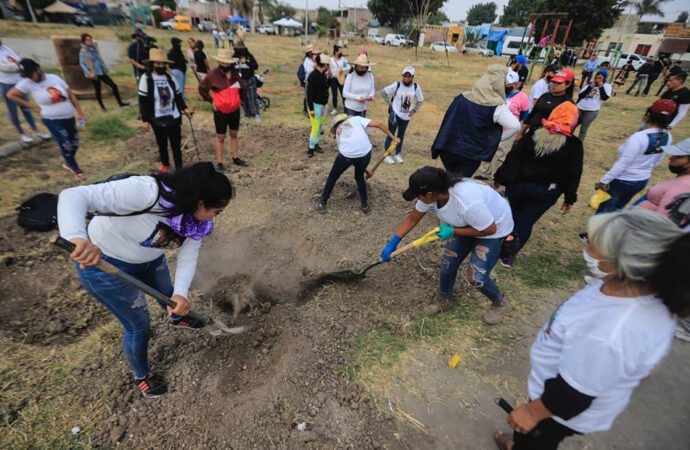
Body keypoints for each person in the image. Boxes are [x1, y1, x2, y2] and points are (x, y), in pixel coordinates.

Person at [493, 209, 690, 450]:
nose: (586, 251)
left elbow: (573, 396)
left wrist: (532, 413)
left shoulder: (614, 331)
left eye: (595, 247)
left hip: (556, 408)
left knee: (537, 439)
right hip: (564, 386)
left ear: (624, 263)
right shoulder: (622, 285)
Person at [57, 162, 234, 398]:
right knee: (138, 326)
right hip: (107, 267)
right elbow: (73, 195)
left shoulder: (196, 222)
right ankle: (142, 375)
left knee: (170, 293)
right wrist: (77, 237)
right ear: (199, 201)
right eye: (216, 210)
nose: (215, 217)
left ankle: (177, 317)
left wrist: (181, 293)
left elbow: (189, 254)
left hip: (150, 260)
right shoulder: (146, 192)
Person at [381, 166, 514, 324]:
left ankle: (500, 303)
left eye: (418, 195)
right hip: (465, 223)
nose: (418, 199)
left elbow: (489, 229)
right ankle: (445, 299)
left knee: (476, 277)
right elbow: (413, 219)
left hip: (492, 229)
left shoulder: (467, 202)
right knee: (447, 264)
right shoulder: (433, 194)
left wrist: (453, 231)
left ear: (429, 194)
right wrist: (394, 241)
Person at [494, 102, 583, 267]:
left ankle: (498, 245)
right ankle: (507, 256)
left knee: (512, 216)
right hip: (546, 192)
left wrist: (499, 177)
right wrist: (570, 198)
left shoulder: (533, 133)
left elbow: (514, 156)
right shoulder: (574, 145)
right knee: (526, 221)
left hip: (518, 186)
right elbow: (574, 173)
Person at [431, 64, 520, 177]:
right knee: (458, 184)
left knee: (451, 178)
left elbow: (448, 121)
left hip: (448, 147)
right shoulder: (497, 106)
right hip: (470, 154)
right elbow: (515, 126)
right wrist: (496, 140)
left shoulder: (462, 97)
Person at [593, 99, 676, 214]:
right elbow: (658, 160)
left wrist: (605, 180)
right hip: (641, 179)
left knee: (605, 209)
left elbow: (623, 162)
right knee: (617, 209)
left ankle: (596, 231)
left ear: (648, 114)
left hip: (622, 180)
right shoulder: (667, 136)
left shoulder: (639, 137)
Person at [8, 59, 87, 179]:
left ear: (38, 69)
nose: (30, 78)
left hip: (69, 117)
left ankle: (68, 162)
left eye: (31, 74)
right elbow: (11, 95)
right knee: (65, 142)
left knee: (74, 143)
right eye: (27, 76)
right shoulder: (26, 83)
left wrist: (80, 113)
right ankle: (76, 170)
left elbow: (71, 95)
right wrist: (31, 106)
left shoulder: (54, 78)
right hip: (51, 119)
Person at [313, 113, 399, 215]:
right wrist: (394, 138)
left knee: (333, 177)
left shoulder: (337, 132)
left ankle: (322, 203)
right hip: (366, 152)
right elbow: (379, 124)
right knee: (359, 177)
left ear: (336, 125)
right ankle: (365, 206)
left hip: (347, 156)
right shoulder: (356, 119)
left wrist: (365, 170)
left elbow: (350, 154)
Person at [138, 49, 191, 172]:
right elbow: (143, 100)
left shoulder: (170, 78)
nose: (161, 66)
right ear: (152, 64)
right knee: (162, 143)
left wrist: (185, 108)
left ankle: (179, 167)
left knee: (176, 144)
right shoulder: (146, 78)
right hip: (157, 117)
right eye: (158, 64)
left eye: (163, 64)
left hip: (173, 115)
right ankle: (165, 164)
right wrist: (145, 119)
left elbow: (178, 96)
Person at [198, 48, 248, 171]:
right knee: (221, 136)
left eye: (227, 63)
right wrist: (211, 101)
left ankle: (235, 157)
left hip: (234, 110)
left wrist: (239, 100)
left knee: (234, 133)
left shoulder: (235, 75)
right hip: (220, 110)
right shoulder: (213, 75)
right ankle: (220, 162)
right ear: (219, 62)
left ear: (231, 63)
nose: (225, 65)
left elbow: (243, 87)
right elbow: (202, 88)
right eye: (223, 62)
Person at [476, 70, 529, 182]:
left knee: (501, 154)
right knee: (488, 150)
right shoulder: (498, 93)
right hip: (492, 128)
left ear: (516, 84)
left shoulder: (522, 96)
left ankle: (496, 177)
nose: (505, 85)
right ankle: (486, 172)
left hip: (508, 130)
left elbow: (524, 114)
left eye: (508, 83)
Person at [0, 37, 47, 143]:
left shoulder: (6, 48)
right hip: (6, 83)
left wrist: (19, 65)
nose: (0, 39)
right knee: (12, 110)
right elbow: (4, 68)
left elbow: (18, 60)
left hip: (19, 82)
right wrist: (20, 68)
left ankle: (35, 130)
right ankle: (22, 133)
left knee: (25, 106)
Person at [380, 66, 424, 164]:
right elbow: (383, 92)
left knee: (401, 135)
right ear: (402, 75)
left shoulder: (416, 87)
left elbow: (420, 100)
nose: (406, 78)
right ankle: (387, 155)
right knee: (391, 134)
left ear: (412, 77)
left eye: (409, 76)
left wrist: (414, 110)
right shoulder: (397, 85)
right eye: (405, 75)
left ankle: (397, 154)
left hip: (406, 117)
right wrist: (389, 104)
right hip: (395, 114)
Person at [636, 138, 690, 217]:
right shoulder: (683, 177)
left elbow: (662, 219)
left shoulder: (684, 186)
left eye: (678, 156)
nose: (670, 158)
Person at [517, 69, 575, 140]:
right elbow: (531, 115)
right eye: (554, 82)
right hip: (531, 133)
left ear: (568, 84)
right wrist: (520, 133)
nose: (554, 85)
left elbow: (565, 127)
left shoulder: (568, 104)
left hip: (547, 139)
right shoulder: (545, 96)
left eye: (559, 83)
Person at [79, 33, 128, 111]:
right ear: (83, 41)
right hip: (94, 73)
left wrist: (93, 41)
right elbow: (82, 64)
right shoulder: (83, 51)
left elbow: (96, 43)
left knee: (114, 86)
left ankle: (120, 103)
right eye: (87, 40)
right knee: (98, 90)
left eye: (90, 39)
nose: (89, 41)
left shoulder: (94, 48)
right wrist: (89, 73)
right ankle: (102, 107)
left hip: (101, 71)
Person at [575, 69, 611, 142]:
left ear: (604, 78)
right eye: (596, 77)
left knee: (583, 129)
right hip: (579, 108)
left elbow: (604, 98)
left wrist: (601, 87)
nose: (598, 80)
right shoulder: (590, 84)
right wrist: (590, 87)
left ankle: (579, 145)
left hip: (591, 111)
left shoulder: (607, 86)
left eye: (600, 78)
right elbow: (580, 96)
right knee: (572, 126)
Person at [306, 53, 329, 158]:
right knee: (315, 127)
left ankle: (316, 144)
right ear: (324, 64)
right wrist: (311, 109)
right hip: (316, 106)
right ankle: (310, 148)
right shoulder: (313, 76)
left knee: (320, 126)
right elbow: (309, 94)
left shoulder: (323, 75)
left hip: (323, 105)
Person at [233, 45, 261, 123]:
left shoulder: (249, 57)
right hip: (240, 82)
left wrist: (246, 62)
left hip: (250, 80)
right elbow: (231, 67)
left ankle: (256, 114)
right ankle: (247, 114)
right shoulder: (234, 57)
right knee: (243, 100)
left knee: (252, 98)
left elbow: (255, 67)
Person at [328, 45, 349, 115]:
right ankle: (335, 108)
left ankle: (346, 108)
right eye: (340, 52)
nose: (341, 53)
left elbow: (348, 67)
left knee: (343, 93)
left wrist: (342, 69)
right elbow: (328, 68)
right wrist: (329, 72)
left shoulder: (344, 59)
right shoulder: (331, 59)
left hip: (341, 79)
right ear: (336, 52)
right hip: (333, 79)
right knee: (334, 94)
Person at [301, 44, 316, 116]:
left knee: (313, 96)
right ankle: (306, 110)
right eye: (310, 52)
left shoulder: (314, 59)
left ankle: (311, 109)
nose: (312, 53)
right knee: (308, 96)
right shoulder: (306, 60)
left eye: (312, 52)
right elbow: (308, 70)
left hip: (314, 80)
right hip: (308, 80)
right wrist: (315, 66)